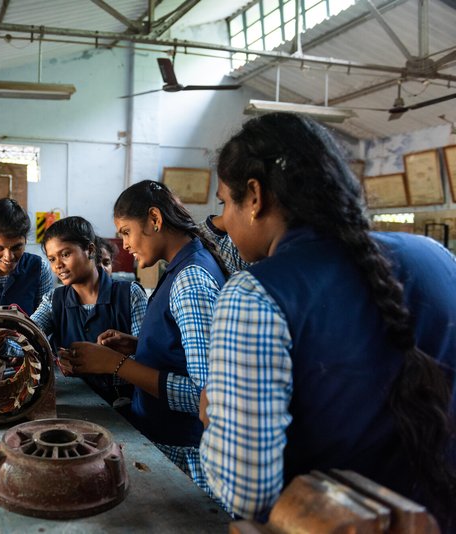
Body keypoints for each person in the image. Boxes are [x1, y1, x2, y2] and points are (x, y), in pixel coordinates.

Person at [199, 112, 456, 529]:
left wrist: (214, 418)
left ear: (255, 196)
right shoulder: (437, 257)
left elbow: (246, 492)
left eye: (225, 203)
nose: (224, 220)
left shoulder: (254, 294)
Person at [61, 180, 229, 495]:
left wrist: (116, 364)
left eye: (125, 231)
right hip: (164, 436)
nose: (123, 244)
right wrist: (141, 346)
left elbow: (205, 397)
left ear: (154, 219)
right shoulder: (183, 267)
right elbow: (187, 352)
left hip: (183, 451)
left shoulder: (190, 280)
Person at [29, 216, 147, 404]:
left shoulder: (129, 294)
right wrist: (1, 338)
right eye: (52, 259)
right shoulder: (53, 300)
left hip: (125, 404)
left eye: (65, 254)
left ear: (90, 250)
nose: (58, 264)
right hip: (75, 402)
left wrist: (111, 361)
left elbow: (148, 358)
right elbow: (27, 334)